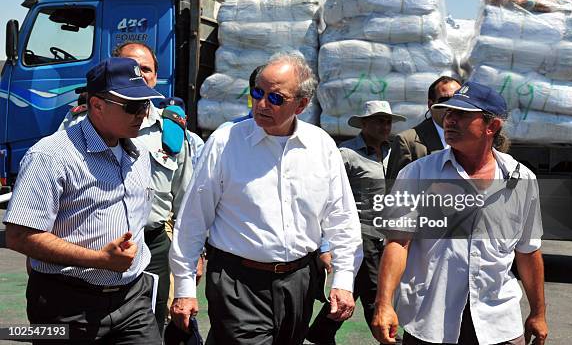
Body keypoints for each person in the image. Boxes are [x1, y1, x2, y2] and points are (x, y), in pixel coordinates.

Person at [169, 53, 364, 345]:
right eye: (257, 93)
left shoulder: (321, 146)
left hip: (299, 282)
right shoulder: (226, 142)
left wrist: (343, 281)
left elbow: (342, 220)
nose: (261, 104)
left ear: (301, 104)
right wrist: (184, 288)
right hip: (238, 284)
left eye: (275, 98)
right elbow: (194, 217)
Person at [372, 82, 548, 345]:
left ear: (492, 126)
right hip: (431, 323)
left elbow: (528, 251)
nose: (449, 120)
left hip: (498, 324)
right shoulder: (418, 173)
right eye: (447, 113)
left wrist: (538, 313)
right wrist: (384, 304)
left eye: (462, 114)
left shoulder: (521, 179)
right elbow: (398, 243)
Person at [3, 58, 164, 343]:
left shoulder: (138, 154)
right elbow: (19, 236)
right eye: (132, 106)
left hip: (132, 301)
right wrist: (99, 260)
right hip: (66, 305)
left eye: (145, 105)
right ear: (97, 105)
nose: (142, 114)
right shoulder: (52, 156)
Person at [58, 41, 196, 334]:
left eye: (145, 69)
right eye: (130, 68)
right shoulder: (81, 122)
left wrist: (193, 257)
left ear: (156, 76)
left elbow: (187, 201)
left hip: (154, 244)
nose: (138, 75)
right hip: (90, 246)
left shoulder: (171, 131)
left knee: (150, 324)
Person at [306, 101, 405, 345]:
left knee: (357, 285)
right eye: (378, 120)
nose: (385, 126)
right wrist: (326, 244)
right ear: (363, 123)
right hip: (361, 233)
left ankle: (322, 330)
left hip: (386, 234)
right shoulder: (346, 154)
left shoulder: (395, 151)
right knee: (375, 292)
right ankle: (389, 338)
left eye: (388, 121)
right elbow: (329, 199)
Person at [386, 76, 462, 186]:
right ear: (431, 105)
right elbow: (395, 192)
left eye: (457, 100)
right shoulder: (408, 142)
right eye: (444, 100)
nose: (451, 106)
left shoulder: (470, 136)